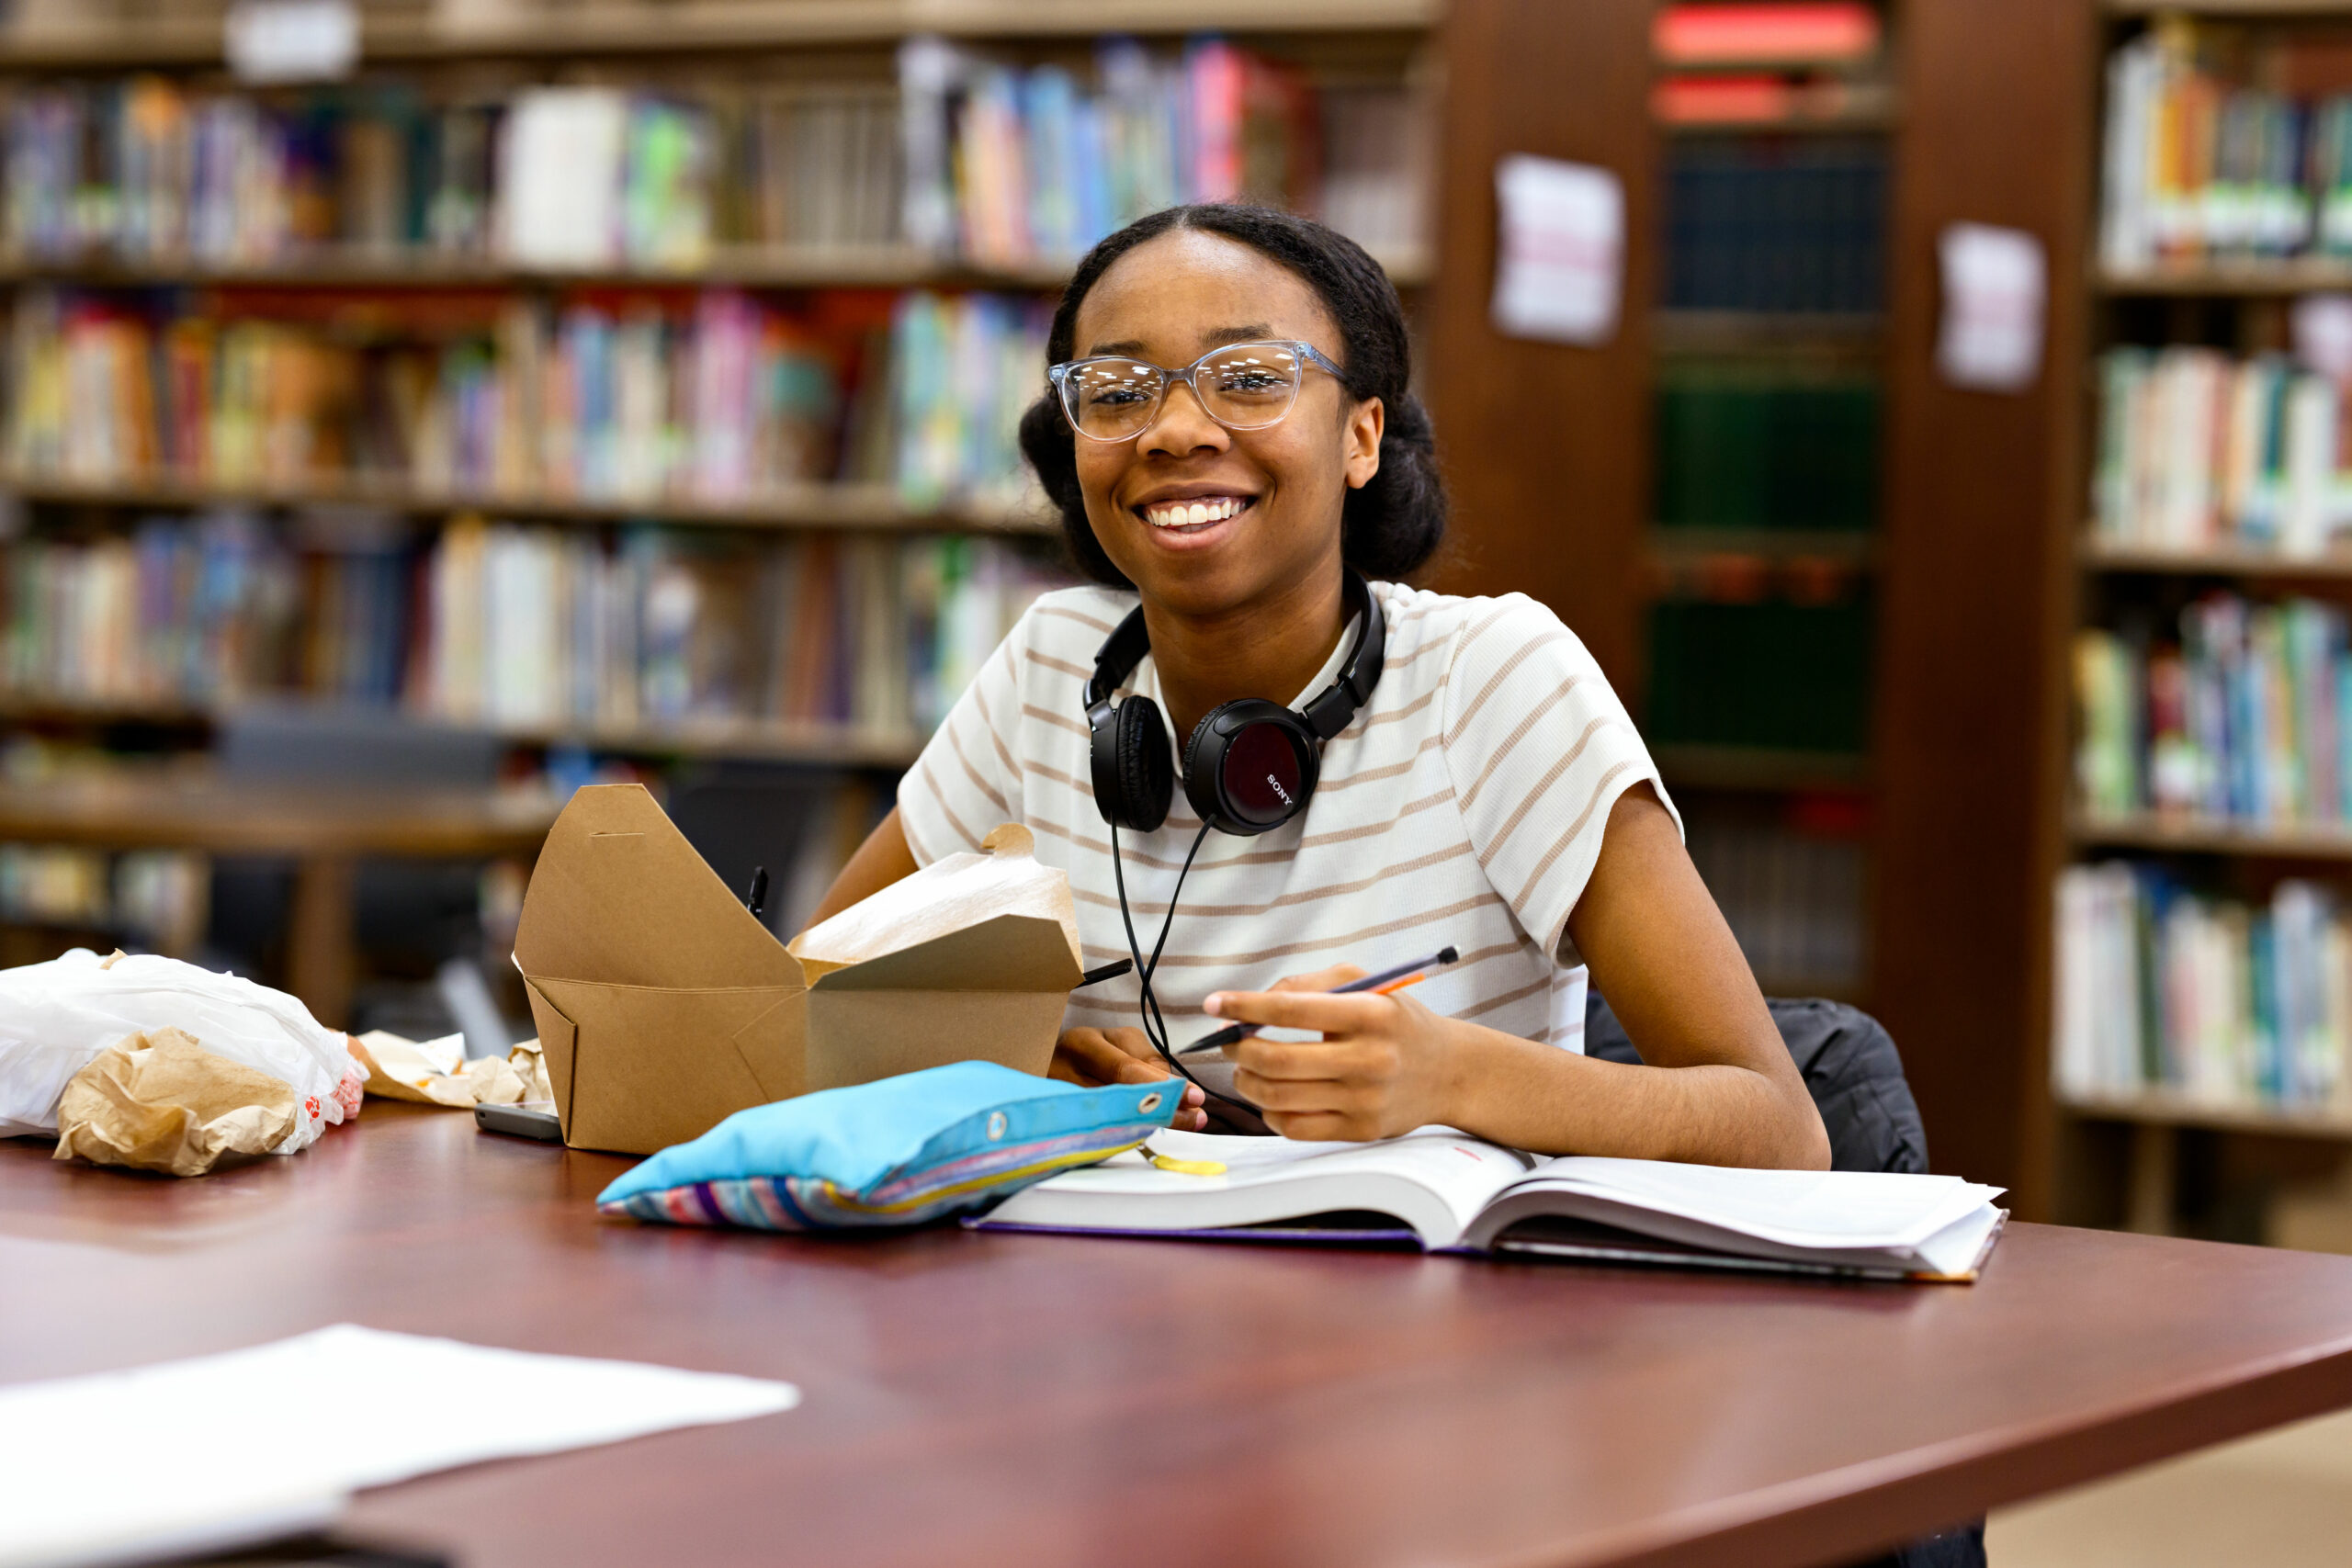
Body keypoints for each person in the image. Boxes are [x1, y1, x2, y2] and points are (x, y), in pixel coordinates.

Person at [809, 203, 1829, 1168]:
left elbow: (1780, 1131)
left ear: (1361, 436)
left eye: (1248, 378)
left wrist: (1455, 1077)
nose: (1173, 431)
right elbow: (800, 1004)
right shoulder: (1051, 664)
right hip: (1102, 1315)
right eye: (1117, 393)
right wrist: (1007, 1061)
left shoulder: (1495, 678)